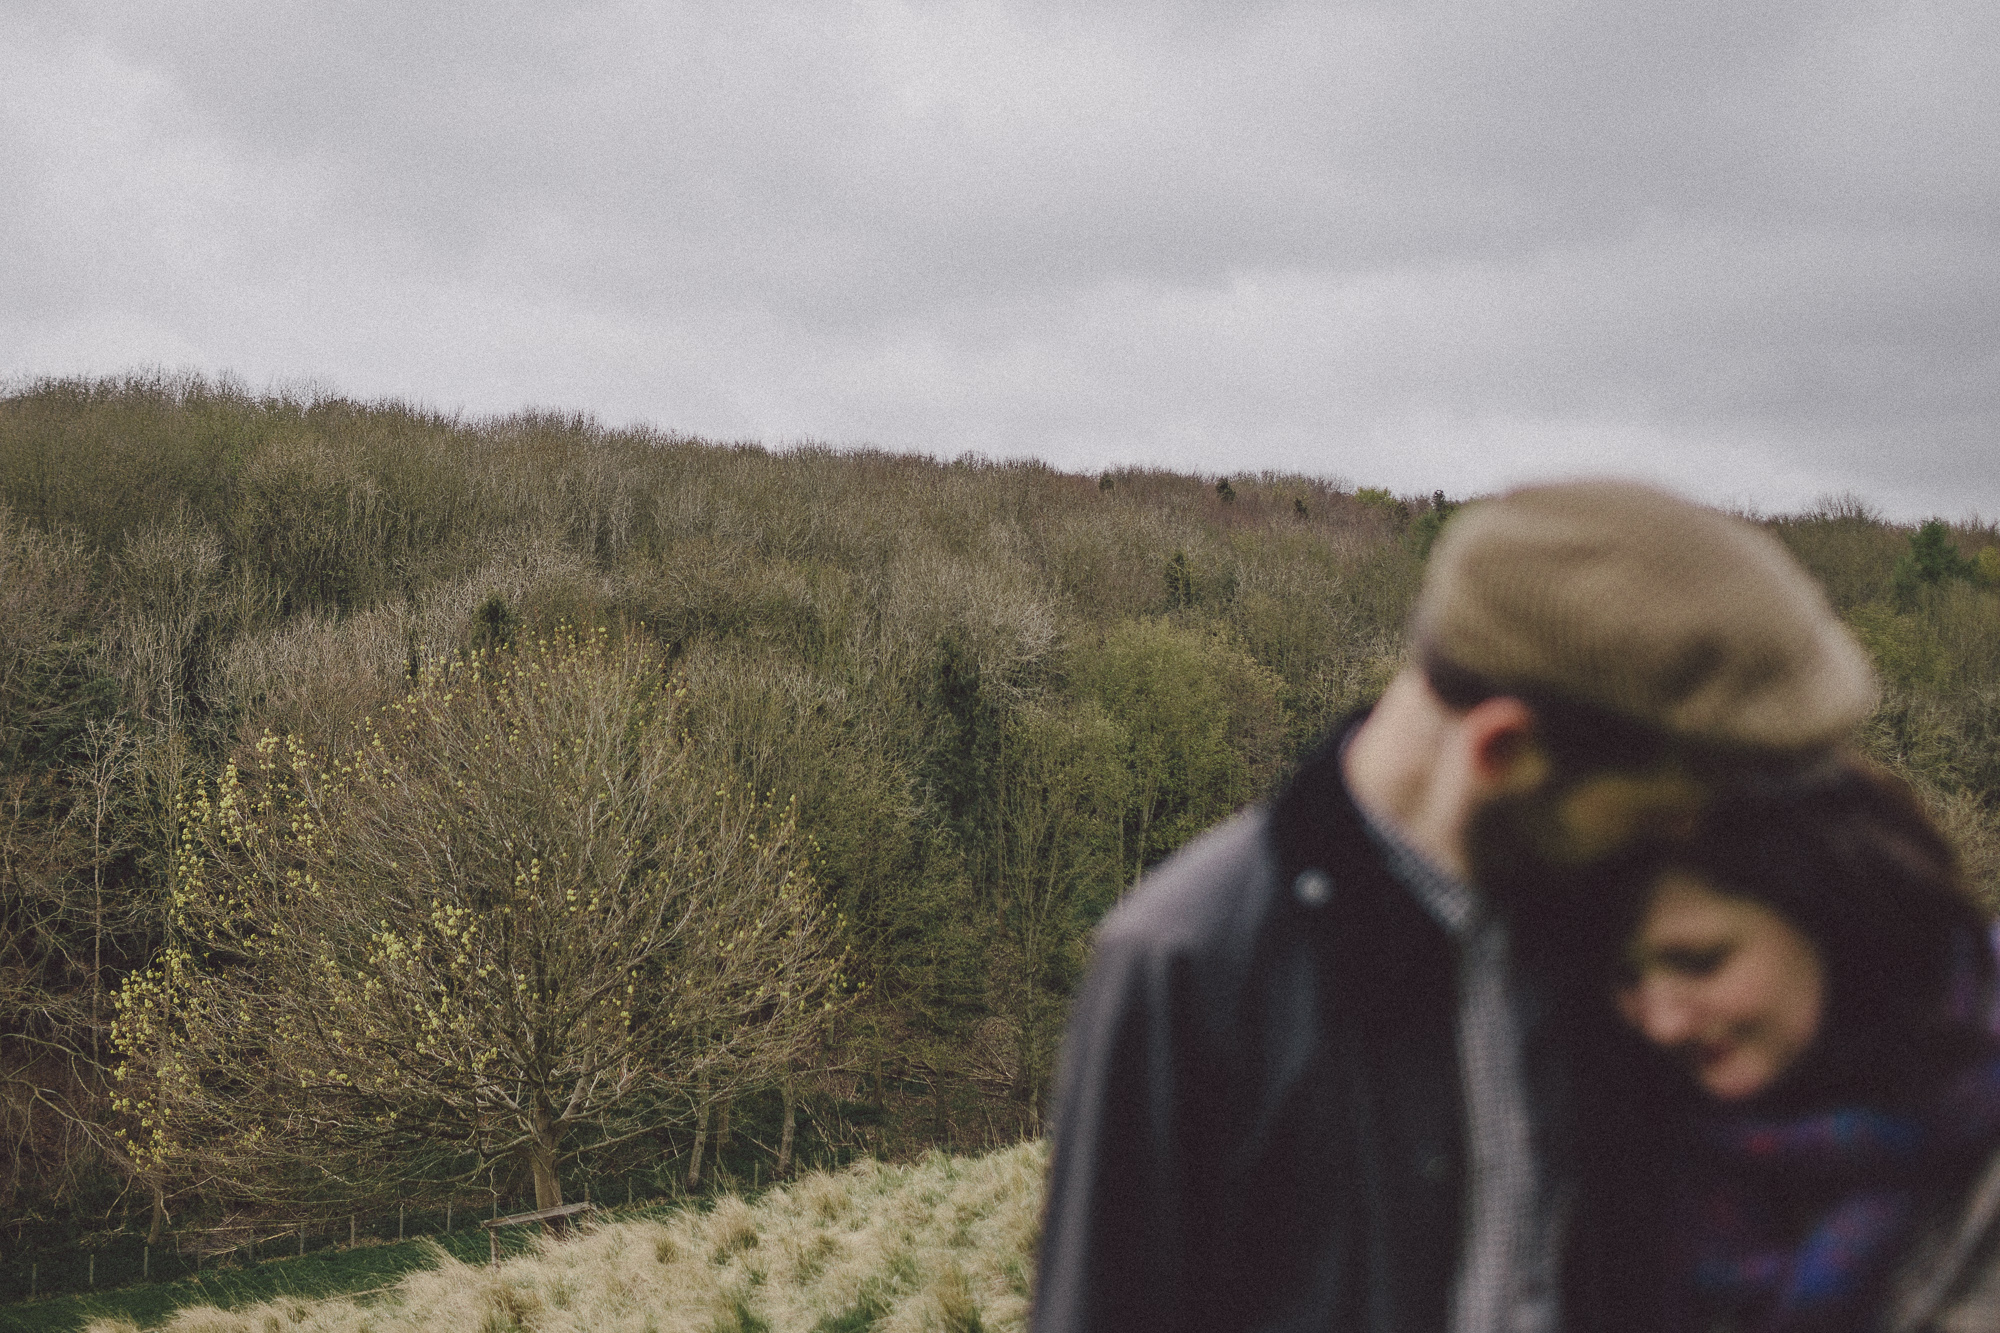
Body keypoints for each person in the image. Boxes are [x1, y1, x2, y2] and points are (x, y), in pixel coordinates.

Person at [1031, 480, 1881, 1333]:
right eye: (1654, 813)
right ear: (1501, 749)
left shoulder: (1618, 935)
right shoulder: (1187, 965)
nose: (1678, 845)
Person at [1554, 761, 2000, 1333]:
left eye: (1701, 962)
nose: (1663, 1024)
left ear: (1833, 916)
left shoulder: (1976, 1149)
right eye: (1627, 979)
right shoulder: (1609, 1142)